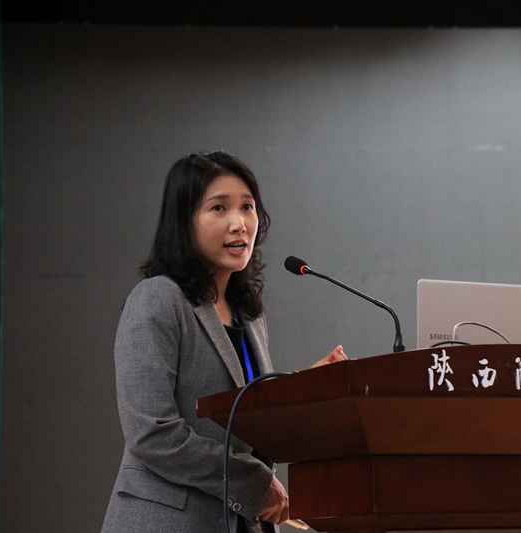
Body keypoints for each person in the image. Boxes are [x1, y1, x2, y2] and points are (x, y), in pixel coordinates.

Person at [101, 151, 347, 533]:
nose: (239, 224)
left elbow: (245, 416)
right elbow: (151, 433)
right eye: (219, 208)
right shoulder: (158, 299)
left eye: (247, 207)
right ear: (184, 220)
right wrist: (252, 483)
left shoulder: (247, 312)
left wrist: (305, 389)